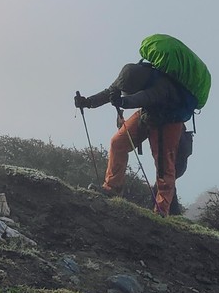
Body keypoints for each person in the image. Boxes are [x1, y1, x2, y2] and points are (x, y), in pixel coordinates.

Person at [74, 61, 196, 216]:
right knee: (118, 143)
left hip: (168, 121)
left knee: (163, 165)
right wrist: (88, 102)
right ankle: (111, 188)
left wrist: (123, 101)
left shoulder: (162, 85)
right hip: (148, 114)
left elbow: (144, 98)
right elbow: (111, 91)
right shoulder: (128, 76)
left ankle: (161, 209)